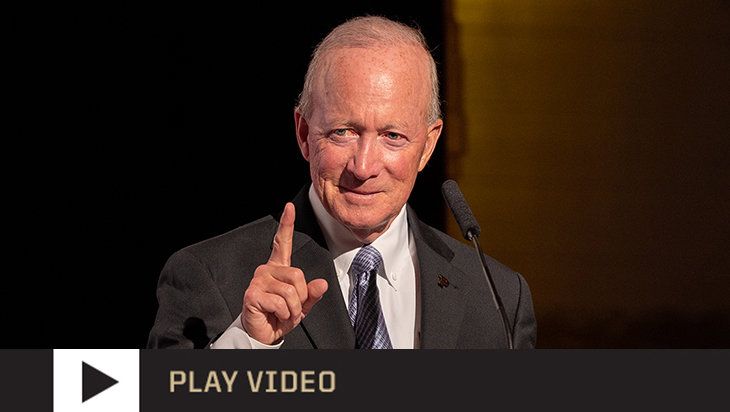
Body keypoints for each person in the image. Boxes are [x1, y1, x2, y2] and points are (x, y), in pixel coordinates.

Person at [147, 15, 536, 349]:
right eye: (343, 132)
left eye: (393, 136)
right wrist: (248, 345)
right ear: (303, 133)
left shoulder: (499, 298)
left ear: (428, 146)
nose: (364, 167)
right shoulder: (210, 276)